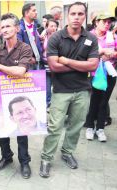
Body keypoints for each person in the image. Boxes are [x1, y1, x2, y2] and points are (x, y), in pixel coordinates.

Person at [39, 2, 99, 178]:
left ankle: (67, 152)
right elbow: (54, 67)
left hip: (82, 90)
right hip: (61, 90)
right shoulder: (57, 37)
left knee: (75, 126)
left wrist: (66, 60)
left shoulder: (91, 38)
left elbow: (93, 64)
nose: (77, 17)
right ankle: (46, 158)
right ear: (67, 16)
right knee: (55, 127)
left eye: (80, 14)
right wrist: (82, 66)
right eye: (73, 14)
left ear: (84, 16)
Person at [0, 13, 34, 179]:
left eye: (8, 26)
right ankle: (6, 157)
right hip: (1, 96)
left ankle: (24, 162)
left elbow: (21, 71)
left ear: (17, 28)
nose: (4, 30)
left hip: (20, 96)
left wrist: (0, 67)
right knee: (2, 131)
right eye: (2, 27)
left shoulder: (25, 48)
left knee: (21, 131)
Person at [84, 13, 117, 142]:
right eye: (104, 21)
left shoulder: (112, 36)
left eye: (109, 22)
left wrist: (112, 54)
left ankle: (100, 128)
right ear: (96, 22)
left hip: (110, 73)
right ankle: (90, 127)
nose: (107, 24)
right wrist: (101, 53)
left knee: (104, 102)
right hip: (94, 74)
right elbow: (84, 53)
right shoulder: (88, 36)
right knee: (94, 101)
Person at [17, 3, 43, 70]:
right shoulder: (19, 27)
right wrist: (29, 57)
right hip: (27, 63)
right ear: (26, 13)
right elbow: (19, 45)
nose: (36, 12)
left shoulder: (38, 25)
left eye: (36, 10)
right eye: (34, 10)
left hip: (39, 61)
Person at [41, 19, 59, 108]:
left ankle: (56, 105)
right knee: (47, 87)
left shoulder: (59, 37)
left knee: (56, 87)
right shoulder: (42, 37)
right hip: (45, 65)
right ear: (46, 27)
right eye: (51, 26)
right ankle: (48, 104)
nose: (53, 28)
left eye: (55, 26)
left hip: (55, 65)